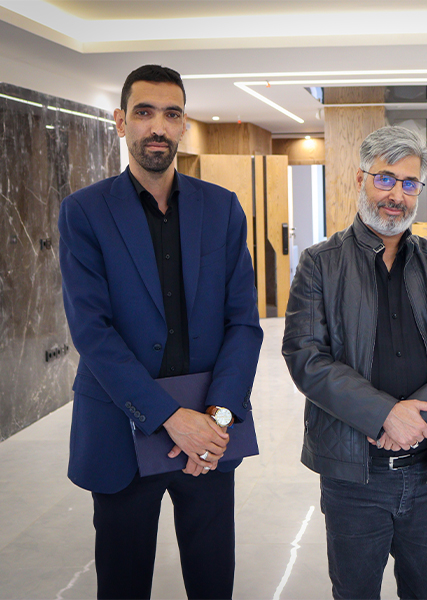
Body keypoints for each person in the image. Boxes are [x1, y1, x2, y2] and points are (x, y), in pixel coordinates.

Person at [59, 64, 262, 600]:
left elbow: (243, 322)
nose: (158, 126)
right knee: (123, 583)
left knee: (213, 580)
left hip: (210, 435)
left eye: (171, 114)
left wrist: (215, 420)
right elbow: (92, 331)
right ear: (120, 121)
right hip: (121, 431)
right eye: (144, 112)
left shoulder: (221, 207)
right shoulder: (84, 212)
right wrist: (172, 419)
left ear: (184, 124)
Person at [283, 126, 427, 600]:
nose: (397, 195)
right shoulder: (320, 264)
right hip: (353, 474)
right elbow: (306, 356)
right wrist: (384, 414)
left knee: (426, 591)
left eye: (409, 183)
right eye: (385, 179)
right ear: (361, 179)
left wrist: (417, 418)